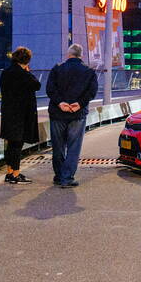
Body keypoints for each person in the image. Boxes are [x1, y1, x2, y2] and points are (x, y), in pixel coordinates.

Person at [46, 44, 98, 188]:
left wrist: (60, 102)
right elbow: (92, 91)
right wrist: (79, 104)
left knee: (58, 146)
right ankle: (67, 177)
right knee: (73, 146)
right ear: (81, 55)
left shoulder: (57, 68)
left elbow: (50, 89)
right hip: (77, 114)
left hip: (57, 113)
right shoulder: (89, 71)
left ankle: (58, 176)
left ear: (68, 55)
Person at [0, 46, 40, 184]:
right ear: (27, 61)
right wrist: (28, 72)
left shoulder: (6, 72)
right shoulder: (22, 74)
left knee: (11, 144)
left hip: (8, 113)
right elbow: (37, 85)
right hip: (21, 115)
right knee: (17, 145)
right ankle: (15, 175)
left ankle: (10, 172)